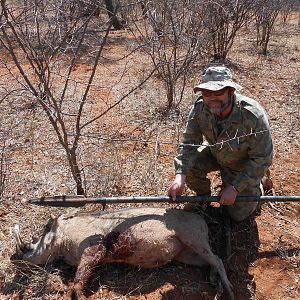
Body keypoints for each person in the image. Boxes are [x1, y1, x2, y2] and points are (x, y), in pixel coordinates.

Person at [168, 66, 273, 221]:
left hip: (241, 164)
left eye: (218, 92)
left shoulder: (253, 116)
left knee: (237, 215)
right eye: (207, 93)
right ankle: (203, 198)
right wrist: (180, 177)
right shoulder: (200, 108)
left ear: (231, 91)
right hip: (215, 152)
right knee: (188, 167)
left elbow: (262, 159)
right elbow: (190, 143)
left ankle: (261, 184)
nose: (212, 97)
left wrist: (235, 187)